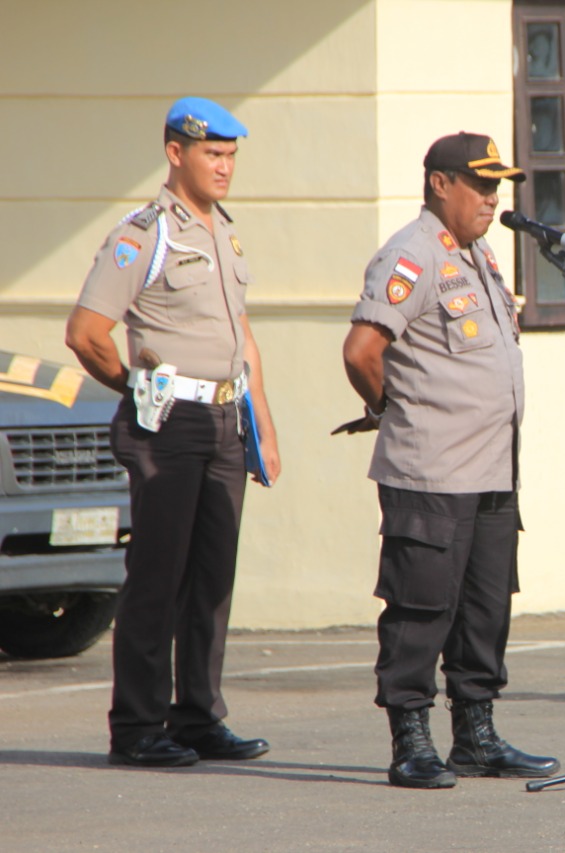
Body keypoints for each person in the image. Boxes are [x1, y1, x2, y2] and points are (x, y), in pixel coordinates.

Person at [65, 97, 281, 766]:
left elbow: (241, 335)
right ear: (176, 153)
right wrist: (135, 386)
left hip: (223, 416)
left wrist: (263, 425)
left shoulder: (222, 232)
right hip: (169, 421)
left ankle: (197, 715)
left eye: (231, 155)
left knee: (212, 577)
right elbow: (86, 332)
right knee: (159, 575)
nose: (224, 167)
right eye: (212, 154)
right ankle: (136, 725)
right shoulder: (144, 232)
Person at [339, 132, 559, 789]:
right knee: (420, 605)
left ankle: (477, 734)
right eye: (481, 185)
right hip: (432, 470)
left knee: (486, 604)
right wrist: (392, 410)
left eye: (498, 188)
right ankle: (410, 739)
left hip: (492, 468)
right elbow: (361, 351)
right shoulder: (412, 254)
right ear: (440, 183)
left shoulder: (481, 255)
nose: (493, 198)